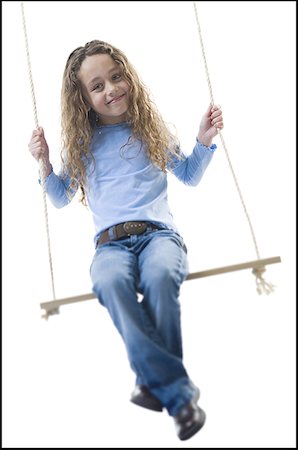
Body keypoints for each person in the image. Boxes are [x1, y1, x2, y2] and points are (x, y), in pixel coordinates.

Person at [28, 40, 223, 441]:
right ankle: (179, 395)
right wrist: (45, 163)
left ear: (128, 77)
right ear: (83, 98)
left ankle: (156, 384)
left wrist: (203, 140)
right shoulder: (83, 146)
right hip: (110, 245)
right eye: (97, 85)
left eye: (116, 77)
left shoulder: (150, 129)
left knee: (160, 279)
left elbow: (187, 174)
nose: (111, 89)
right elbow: (62, 197)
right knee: (110, 281)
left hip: (158, 237)